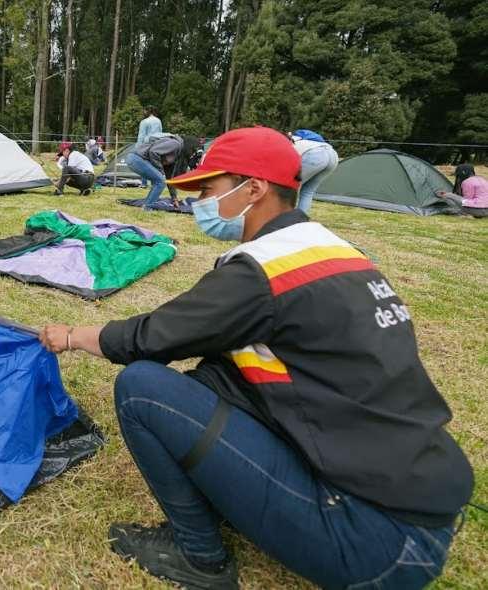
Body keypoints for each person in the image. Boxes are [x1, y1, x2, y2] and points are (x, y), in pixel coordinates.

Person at [38, 127, 472, 590]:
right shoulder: (336, 250)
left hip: (372, 542)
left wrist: (71, 335)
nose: (196, 202)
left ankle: (199, 557)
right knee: (212, 379)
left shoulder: (263, 268)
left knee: (143, 388)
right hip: (417, 510)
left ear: (255, 188)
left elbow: (152, 337)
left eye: (208, 189)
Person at [124, 133, 183, 208]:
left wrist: (174, 198)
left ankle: (146, 205)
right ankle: (147, 208)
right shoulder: (176, 144)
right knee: (161, 181)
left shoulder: (175, 158)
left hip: (134, 159)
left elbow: (169, 179)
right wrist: (160, 171)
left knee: (159, 181)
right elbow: (153, 151)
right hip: (137, 158)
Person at [291, 129, 339, 213]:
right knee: (308, 192)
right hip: (333, 155)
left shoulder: (288, 140)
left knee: (290, 187)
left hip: (315, 155)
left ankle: (284, 220)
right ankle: (301, 221)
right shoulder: (309, 141)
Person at [136, 108, 162, 189]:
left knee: (144, 164)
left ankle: (144, 184)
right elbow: (160, 132)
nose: (143, 113)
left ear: (148, 112)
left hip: (146, 145)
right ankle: (155, 183)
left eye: (144, 111)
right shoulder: (158, 121)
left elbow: (141, 135)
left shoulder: (144, 122)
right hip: (157, 144)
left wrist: (138, 147)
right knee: (154, 164)